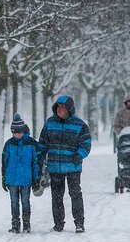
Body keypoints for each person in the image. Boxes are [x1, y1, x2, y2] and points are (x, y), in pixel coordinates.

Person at [38, 95, 91, 233]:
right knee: (56, 196)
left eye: (63, 107)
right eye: (58, 107)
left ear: (70, 109)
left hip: (73, 166)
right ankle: (58, 223)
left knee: (75, 194)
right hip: (55, 166)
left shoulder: (80, 125)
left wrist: (79, 155)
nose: (60, 109)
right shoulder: (49, 123)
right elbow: (43, 143)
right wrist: (40, 159)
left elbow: (86, 144)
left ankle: (79, 223)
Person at [1, 113, 41, 233]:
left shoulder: (32, 144)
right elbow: (4, 162)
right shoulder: (8, 144)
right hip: (12, 179)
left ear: (24, 130)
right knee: (14, 202)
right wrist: (4, 178)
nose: (17, 134)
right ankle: (15, 224)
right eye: (15, 132)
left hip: (26, 179)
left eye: (19, 131)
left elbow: (36, 162)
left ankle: (27, 224)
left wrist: (36, 178)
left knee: (25, 201)